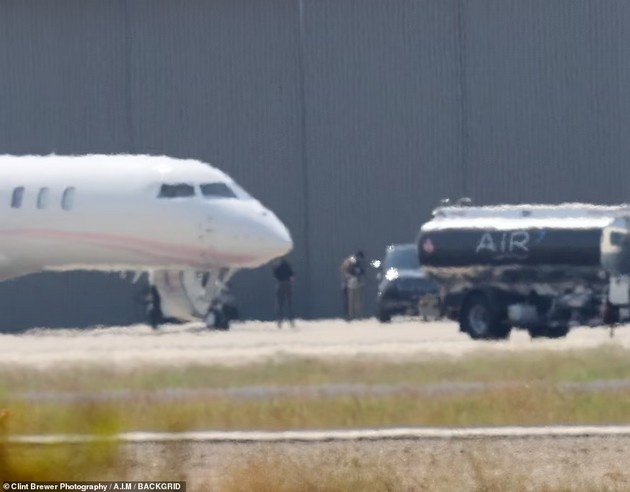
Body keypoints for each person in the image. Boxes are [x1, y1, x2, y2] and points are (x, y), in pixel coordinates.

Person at [340, 250, 366, 320]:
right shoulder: (350, 261)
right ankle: (350, 316)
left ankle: (357, 316)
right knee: (350, 301)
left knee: (356, 301)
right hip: (349, 284)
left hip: (356, 283)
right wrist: (351, 278)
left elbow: (361, 272)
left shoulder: (358, 262)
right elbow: (346, 271)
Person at [273, 256, 295, 328]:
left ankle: (280, 321)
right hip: (288, 284)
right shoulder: (288, 265)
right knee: (290, 303)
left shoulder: (277, 266)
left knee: (280, 304)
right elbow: (292, 275)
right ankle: (291, 321)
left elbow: (275, 275)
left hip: (280, 283)